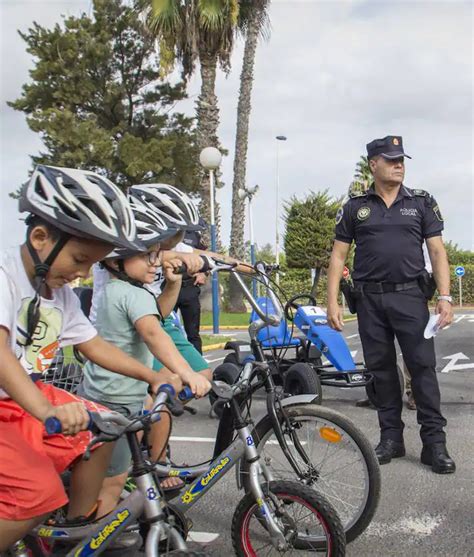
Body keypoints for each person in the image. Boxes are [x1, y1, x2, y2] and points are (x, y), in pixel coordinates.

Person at [0, 166, 176, 550]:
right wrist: (47, 411)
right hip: (11, 402)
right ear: (40, 237)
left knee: (103, 428)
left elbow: (94, 346)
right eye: (79, 259)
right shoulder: (5, 276)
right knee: (35, 493)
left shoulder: (55, 291)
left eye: (90, 265)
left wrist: (151, 376)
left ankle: (75, 534)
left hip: (22, 399)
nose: (82, 274)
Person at [326, 136, 455, 474]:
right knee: (380, 371)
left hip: (410, 297)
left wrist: (445, 297)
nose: (399, 164)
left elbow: (438, 252)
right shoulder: (355, 206)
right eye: (391, 159)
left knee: (423, 370)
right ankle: (391, 439)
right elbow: (338, 256)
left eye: (402, 159)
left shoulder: (422, 202)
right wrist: (333, 302)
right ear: (373, 164)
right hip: (369, 300)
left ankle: (434, 446)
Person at [79, 191, 211, 515]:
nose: (156, 262)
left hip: (115, 397)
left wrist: (174, 283)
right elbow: (155, 335)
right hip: (112, 402)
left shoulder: (120, 290)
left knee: (111, 477)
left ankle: (96, 528)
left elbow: (157, 316)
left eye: (157, 255)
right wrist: (188, 374)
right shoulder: (130, 295)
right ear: (116, 258)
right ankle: (86, 532)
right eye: (148, 256)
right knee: (109, 479)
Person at [173, 226, 208, 353]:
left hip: (189, 286)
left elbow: (206, 257)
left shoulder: (194, 235)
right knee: (168, 328)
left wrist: (204, 274)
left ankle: (198, 364)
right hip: (168, 287)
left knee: (193, 333)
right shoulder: (165, 232)